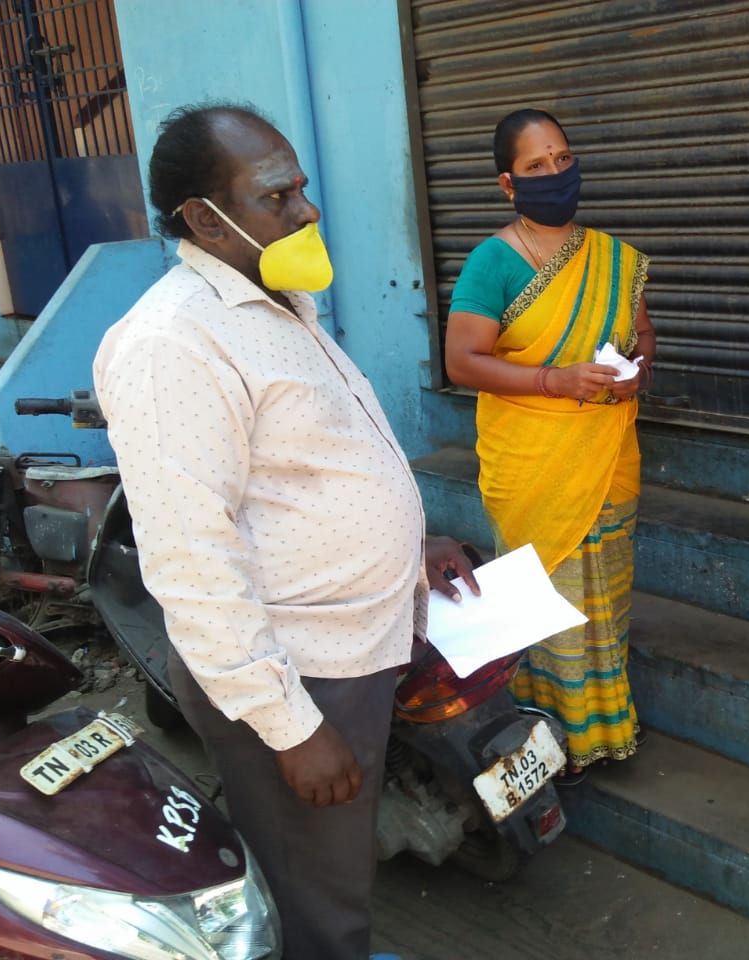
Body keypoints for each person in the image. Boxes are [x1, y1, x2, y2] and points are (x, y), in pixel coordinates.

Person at [93, 102, 478, 960]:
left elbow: (304, 471)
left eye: (302, 186)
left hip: (354, 644)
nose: (307, 210)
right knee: (315, 899)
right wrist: (293, 726)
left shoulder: (278, 302)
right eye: (279, 194)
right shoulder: (173, 341)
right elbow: (192, 561)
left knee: (329, 873)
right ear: (203, 218)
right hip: (301, 670)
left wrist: (407, 550)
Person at [444, 108, 654, 777]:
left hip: (607, 457)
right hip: (535, 466)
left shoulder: (616, 258)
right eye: (537, 166)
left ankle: (604, 729)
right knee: (547, 605)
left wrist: (635, 373)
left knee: (605, 601)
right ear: (509, 184)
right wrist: (554, 379)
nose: (556, 173)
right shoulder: (493, 262)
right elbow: (463, 361)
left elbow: (643, 337)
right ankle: (547, 735)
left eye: (563, 158)